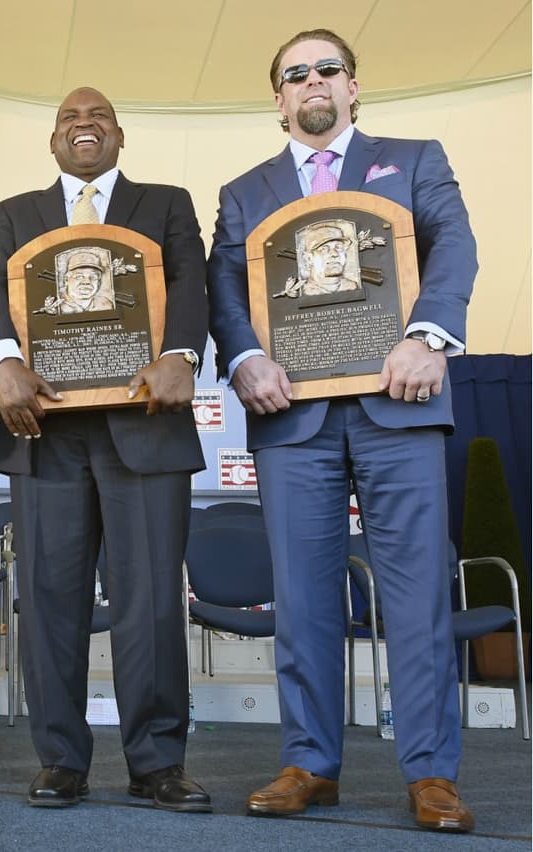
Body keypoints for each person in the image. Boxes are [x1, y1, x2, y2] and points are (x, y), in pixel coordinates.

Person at [207, 29, 477, 833]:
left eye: (329, 68)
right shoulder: (243, 190)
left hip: (402, 402)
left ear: (353, 87)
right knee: (303, 596)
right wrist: (246, 355)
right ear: (279, 99)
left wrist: (430, 336)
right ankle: (309, 763)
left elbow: (454, 245)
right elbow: (226, 284)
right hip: (293, 418)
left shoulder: (415, 157)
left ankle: (430, 772)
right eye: (296, 74)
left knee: (417, 596)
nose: (313, 81)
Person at [0, 86, 211, 811]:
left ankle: (157, 762)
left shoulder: (166, 202)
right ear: (52, 142)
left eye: (99, 116)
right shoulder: (16, 214)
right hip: (44, 430)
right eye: (70, 119)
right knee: (49, 599)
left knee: (150, 602)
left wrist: (182, 354)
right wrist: (3, 361)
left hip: (145, 424)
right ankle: (61, 759)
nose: (85, 125)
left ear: (120, 136)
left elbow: (192, 282)